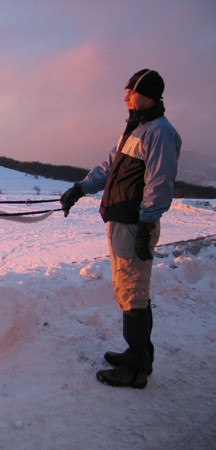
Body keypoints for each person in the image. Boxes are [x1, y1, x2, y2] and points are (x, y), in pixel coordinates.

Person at [60, 69, 181, 389]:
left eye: (131, 91)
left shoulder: (160, 133)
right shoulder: (137, 127)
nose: (125, 96)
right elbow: (109, 166)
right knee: (129, 290)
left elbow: (159, 183)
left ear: (149, 95)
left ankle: (136, 368)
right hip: (121, 221)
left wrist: (147, 225)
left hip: (135, 224)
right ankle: (138, 354)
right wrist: (80, 188)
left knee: (133, 293)